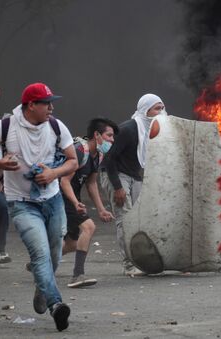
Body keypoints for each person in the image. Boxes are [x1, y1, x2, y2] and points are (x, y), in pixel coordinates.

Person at [0, 83, 78, 332]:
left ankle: (43, 289)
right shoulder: (4, 127)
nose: (51, 108)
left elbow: (72, 161)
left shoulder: (57, 127)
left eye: (52, 102)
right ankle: (56, 305)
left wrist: (53, 173)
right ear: (31, 105)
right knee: (40, 255)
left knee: (54, 255)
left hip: (53, 201)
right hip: (22, 204)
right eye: (46, 103)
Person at [100, 93, 166, 277]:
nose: (161, 112)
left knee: (140, 218)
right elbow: (110, 158)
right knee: (125, 218)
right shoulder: (129, 129)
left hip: (133, 175)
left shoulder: (154, 130)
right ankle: (129, 264)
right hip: (115, 174)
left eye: (162, 108)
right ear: (145, 110)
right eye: (156, 108)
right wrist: (118, 188)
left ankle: (141, 261)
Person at [60, 118, 117, 288]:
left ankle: (40, 263)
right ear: (96, 135)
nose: (112, 140)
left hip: (72, 198)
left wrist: (101, 209)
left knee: (71, 243)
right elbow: (64, 181)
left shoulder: (98, 155)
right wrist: (75, 202)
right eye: (109, 136)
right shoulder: (79, 151)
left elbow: (91, 183)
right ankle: (77, 275)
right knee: (89, 227)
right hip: (61, 196)